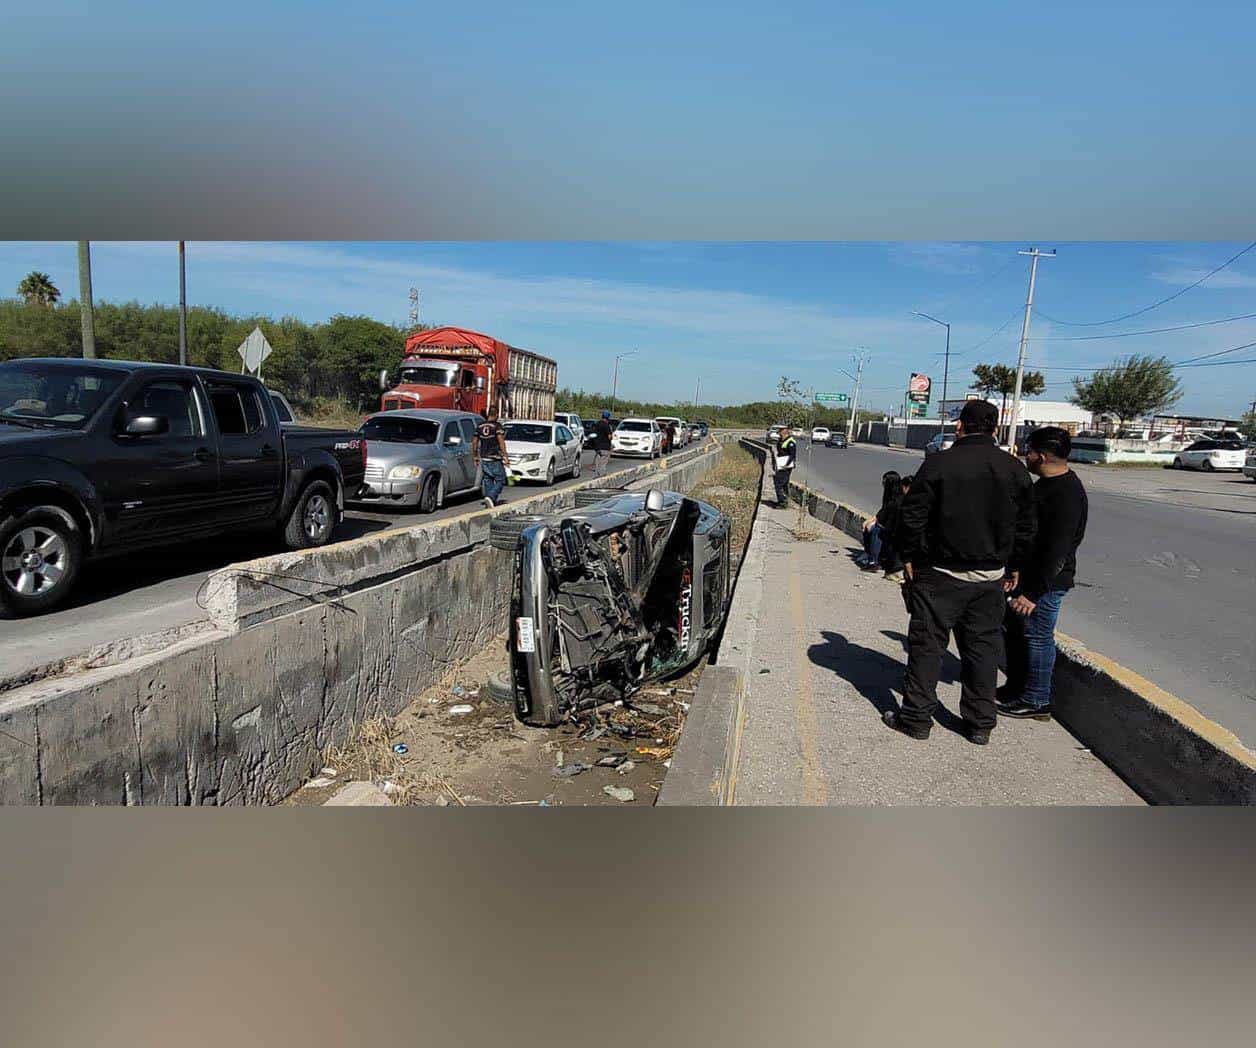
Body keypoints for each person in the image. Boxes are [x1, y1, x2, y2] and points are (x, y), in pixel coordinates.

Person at [883, 400, 1036, 745]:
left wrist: (908, 557)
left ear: (959, 426)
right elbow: (1026, 527)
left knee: (927, 647)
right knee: (982, 650)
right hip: (990, 578)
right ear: (995, 429)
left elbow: (912, 516)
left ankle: (916, 719)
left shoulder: (938, 464)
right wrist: (1014, 567)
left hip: (939, 574)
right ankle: (980, 724)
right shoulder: (1014, 469)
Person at [998, 427, 1088, 720]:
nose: (1026, 454)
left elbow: (1057, 552)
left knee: (1038, 637)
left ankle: (1037, 700)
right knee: (1015, 634)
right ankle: (1016, 688)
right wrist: (1014, 570)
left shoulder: (1067, 494)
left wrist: (1033, 592)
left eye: (1029, 449)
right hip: (1026, 577)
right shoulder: (1043, 486)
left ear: (1043, 455)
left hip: (1046, 583)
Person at [858, 471, 902, 571]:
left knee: (876, 531)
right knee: (868, 526)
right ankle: (869, 554)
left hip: (893, 527)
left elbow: (891, 518)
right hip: (886, 523)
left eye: (884, 482)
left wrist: (877, 523)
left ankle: (873, 561)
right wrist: (872, 520)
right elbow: (883, 511)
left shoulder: (898, 499)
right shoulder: (889, 496)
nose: (882, 484)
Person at [473, 405, 511, 508]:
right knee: (501, 479)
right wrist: (505, 456)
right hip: (494, 457)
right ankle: (491, 496)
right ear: (496, 415)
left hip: (484, 457)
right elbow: (501, 441)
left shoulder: (480, 426)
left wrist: (475, 456)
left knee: (488, 478)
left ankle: (490, 500)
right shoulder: (497, 426)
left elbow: (475, 442)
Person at [772, 425, 797, 506]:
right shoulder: (781, 440)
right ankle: (783, 501)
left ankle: (783, 502)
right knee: (784, 483)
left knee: (779, 483)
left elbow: (792, 455)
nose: (778, 432)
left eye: (780, 431)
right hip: (781, 463)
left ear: (784, 431)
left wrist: (786, 465)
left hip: (786, 465)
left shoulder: (790, 442)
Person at [591, 410, 614, 477]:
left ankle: (597, 475)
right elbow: (609, 437)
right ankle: (602, 475)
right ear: (608, 418)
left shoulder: (597, 424)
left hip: (597, 446)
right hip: (605, 447)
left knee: (598, 462)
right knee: (603, 462)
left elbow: (593, 434)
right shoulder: (606, 425)